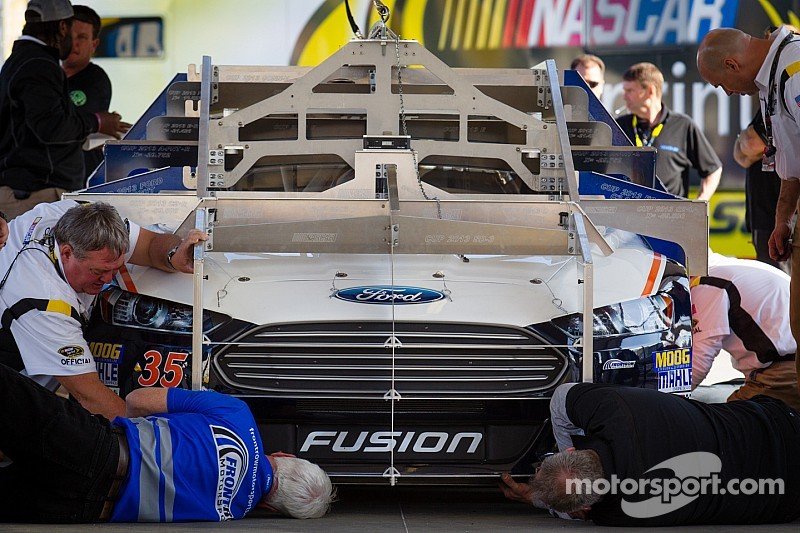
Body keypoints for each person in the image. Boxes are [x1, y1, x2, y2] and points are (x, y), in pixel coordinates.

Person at [0, 361, 334, 522]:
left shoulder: (237, 415)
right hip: (85, 509)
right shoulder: (229, 513)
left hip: (98, 447)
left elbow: (139, 399)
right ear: (269, 507)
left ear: (284, 454)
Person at [0, 200, 207, 421]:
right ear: (67, 253)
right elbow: (91, 398)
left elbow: (149, 245)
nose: (108, 280)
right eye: (98, 271)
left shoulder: (73, 215)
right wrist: (157, 442)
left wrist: (175, 254)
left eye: (115, 269)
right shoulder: (43, 301)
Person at [500, 383, 800, 526]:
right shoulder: (613, 409)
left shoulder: (621, 512)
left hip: (786, 500)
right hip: (779, 424)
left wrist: (534, 496)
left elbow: (571, 512)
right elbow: (563, 396)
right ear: (569, 450)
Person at [697, 26, 800, 395]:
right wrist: (782, 220)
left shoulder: (793, 67)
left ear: (731, 63)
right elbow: (792, 164)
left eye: (720, 84)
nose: (726, 92)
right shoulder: (771, 83)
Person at [0, 0, 128, 220]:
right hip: (34, 195)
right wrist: (97, 122)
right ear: (62, 28)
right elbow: (52, 126)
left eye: (83, 37)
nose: (74, 43)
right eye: (73, 32)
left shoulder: (22, 61)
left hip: (35, 193)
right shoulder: (38, 64)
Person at [690, 251, 799, 411]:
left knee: (723, 427)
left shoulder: (706, 282)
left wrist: (657, 402)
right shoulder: (727, 267)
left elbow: (699, 360)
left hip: (784, 373)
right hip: (789, 365)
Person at [616, 62, 722, 199]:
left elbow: (713, 169)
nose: (624, 97)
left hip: (670, 216)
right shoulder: (619, 126)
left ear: (650, 91)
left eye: (629, 91)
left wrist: (700, 203)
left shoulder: (683, 125)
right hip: (628, 216)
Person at [62, 5, 124, 179]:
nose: (74, 43)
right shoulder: (47, 75)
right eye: (69, 36)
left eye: (82, 37)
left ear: (94, 44)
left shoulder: (95, 79)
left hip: (80, 175)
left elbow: (70, 126)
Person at [734, 109, 789, 272]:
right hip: (764, 217)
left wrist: (747, 143)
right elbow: (739, 154)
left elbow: (750, 144)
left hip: (781, 217)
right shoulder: (766, 99)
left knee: (782, 286)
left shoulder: (784, 94)